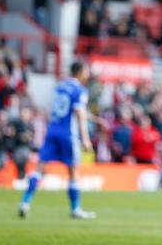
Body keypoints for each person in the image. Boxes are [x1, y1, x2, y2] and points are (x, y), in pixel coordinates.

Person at [18, 61, 96, 219]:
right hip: (68, 134)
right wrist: (86, 139)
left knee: (39, 168)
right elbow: (79, 114)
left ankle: (25, 202)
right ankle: (76, 209)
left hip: (52, 130)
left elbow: (61, 109)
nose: (87, 75)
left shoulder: (59, 87)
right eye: (86, 71)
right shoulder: (80, 90)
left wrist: (90, 116)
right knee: (73, 170)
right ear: (80, 72)